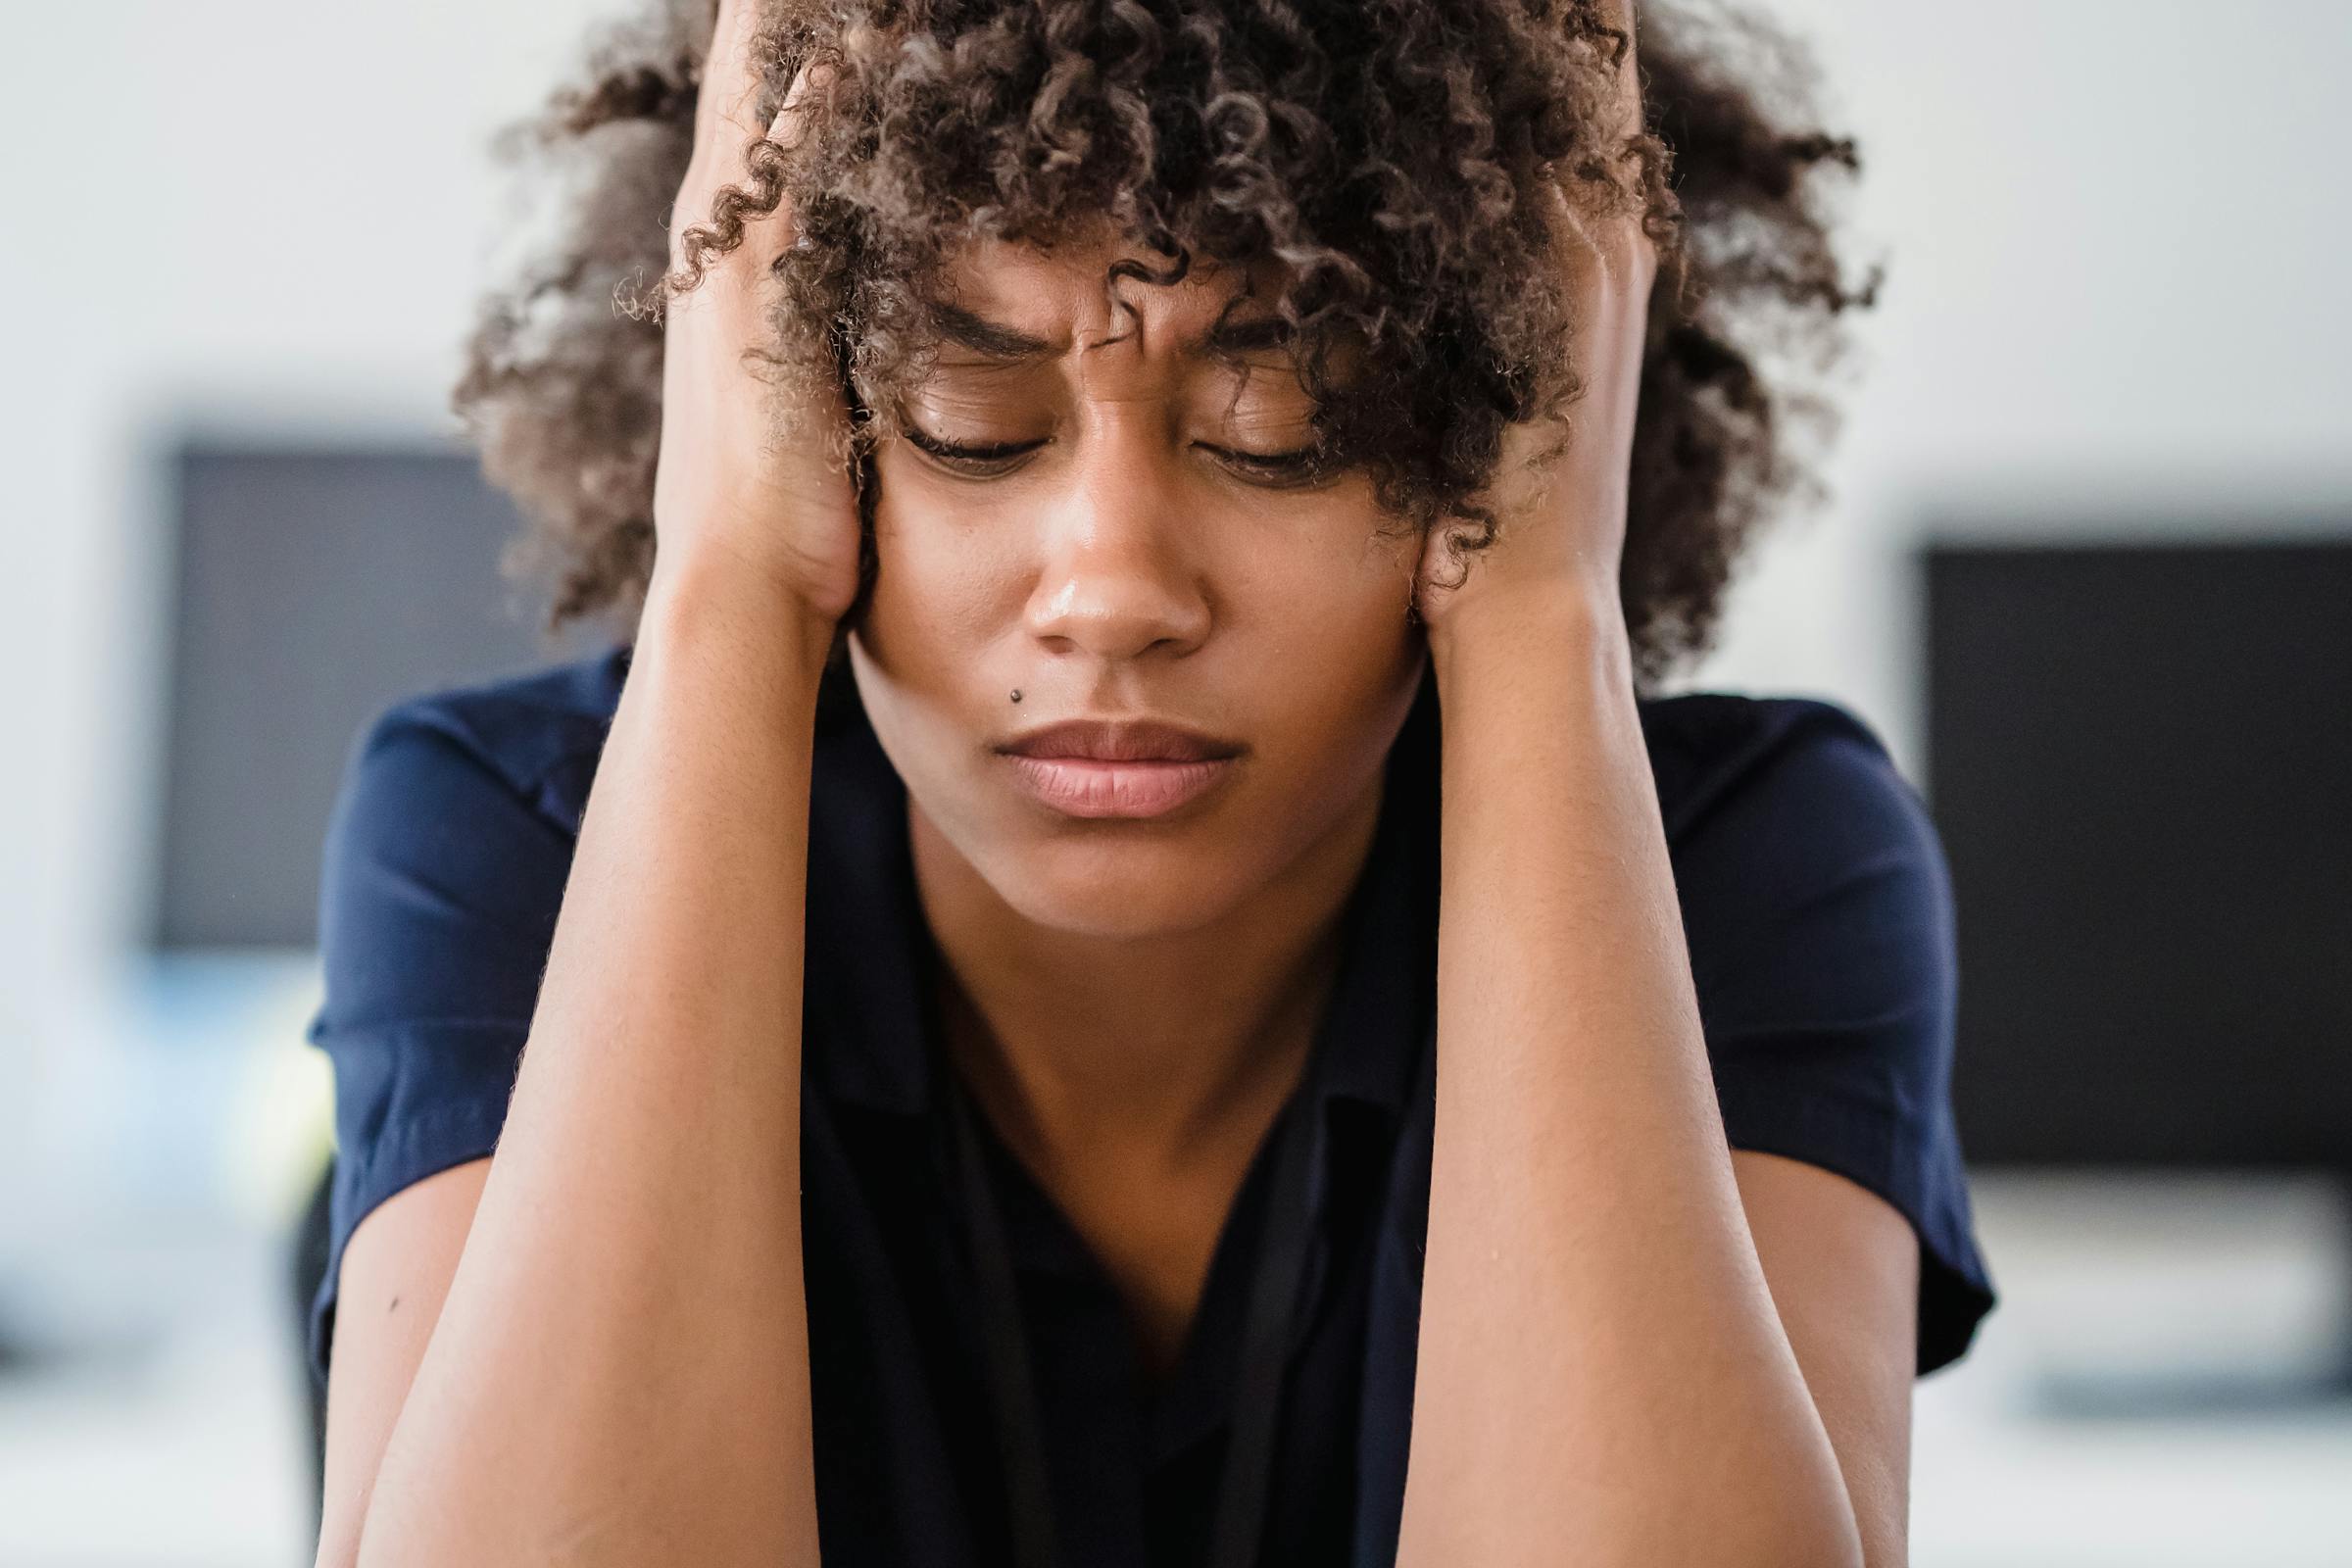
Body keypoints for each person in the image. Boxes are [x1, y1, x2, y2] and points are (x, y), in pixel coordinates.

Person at [303, 0, 1996, 1563]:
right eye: (970, 419)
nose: (1111, 586)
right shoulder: (512, 833)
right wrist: (728, 590)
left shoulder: (1748, 871)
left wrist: (1547, 607)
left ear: (1486, 439)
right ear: (792, 420)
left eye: (1284, 425)